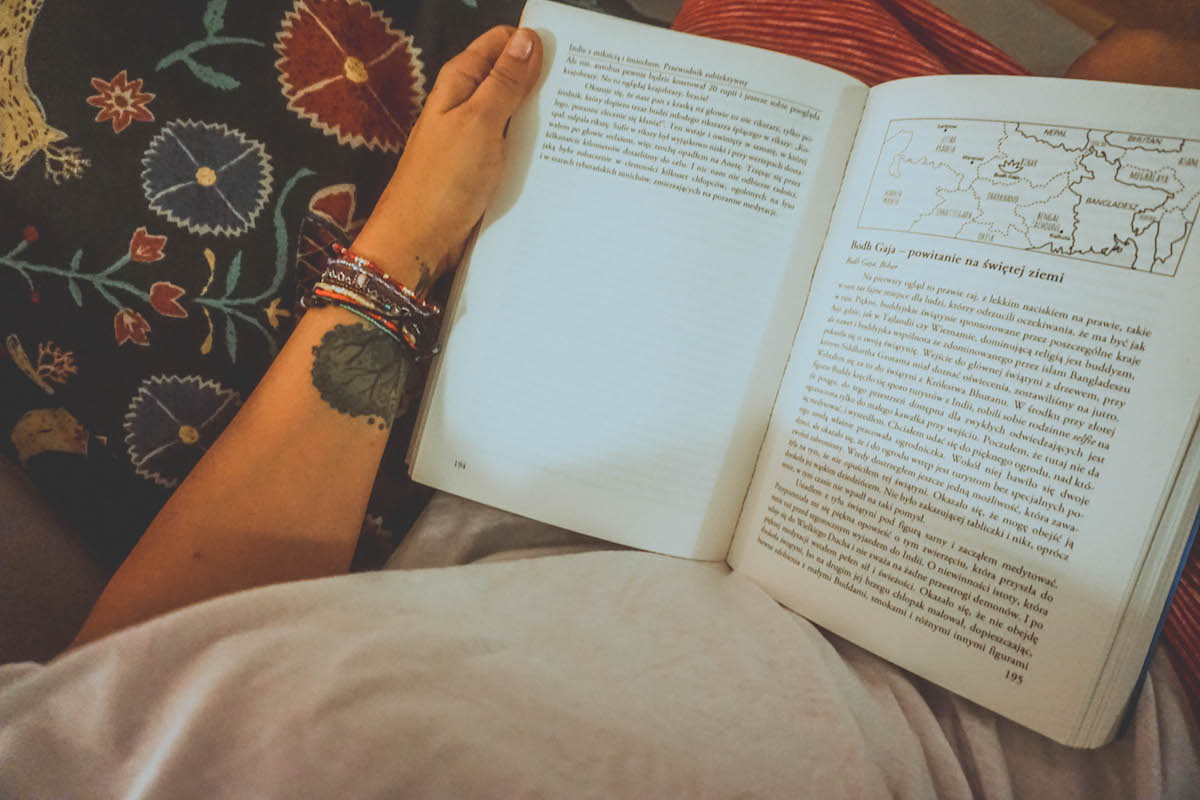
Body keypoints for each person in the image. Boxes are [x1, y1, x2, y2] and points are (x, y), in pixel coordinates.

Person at [2, 24, 1199, 800]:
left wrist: (403, 248)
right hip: (989, 702)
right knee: (1146, 79)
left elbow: (141, 672)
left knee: (1109, 101)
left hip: (550, 520)